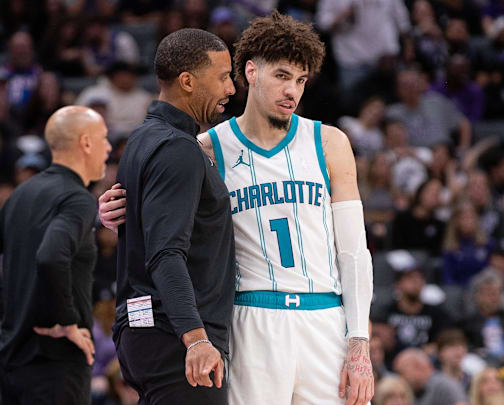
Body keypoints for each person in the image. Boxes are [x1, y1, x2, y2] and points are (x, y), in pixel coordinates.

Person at [100, 12, 374, 405]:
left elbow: (354, 250)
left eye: (301, 80)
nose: (292, 91)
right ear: (251, 72)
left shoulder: (329, 142)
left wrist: (359, 340)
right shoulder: (205, 148)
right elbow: (164, 217)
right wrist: (113, 212)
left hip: (324, 316)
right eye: (282, 76)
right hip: (250, 319)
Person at [110, 28, 237, 404]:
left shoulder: (142, 139)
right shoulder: (177, 149)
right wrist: (196, 338)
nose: (230, 88)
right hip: (175, 340)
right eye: (223, 77)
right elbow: (165, 253)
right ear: (188, 81)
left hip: (147, 330)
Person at [0, 105, 111, 404]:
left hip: (12, 358)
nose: (108, 147)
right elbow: (51, 256)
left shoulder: (19, 196)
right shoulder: (78, 198)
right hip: (56, 365)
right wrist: (67, 321)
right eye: (103, 138)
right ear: (86, 142)